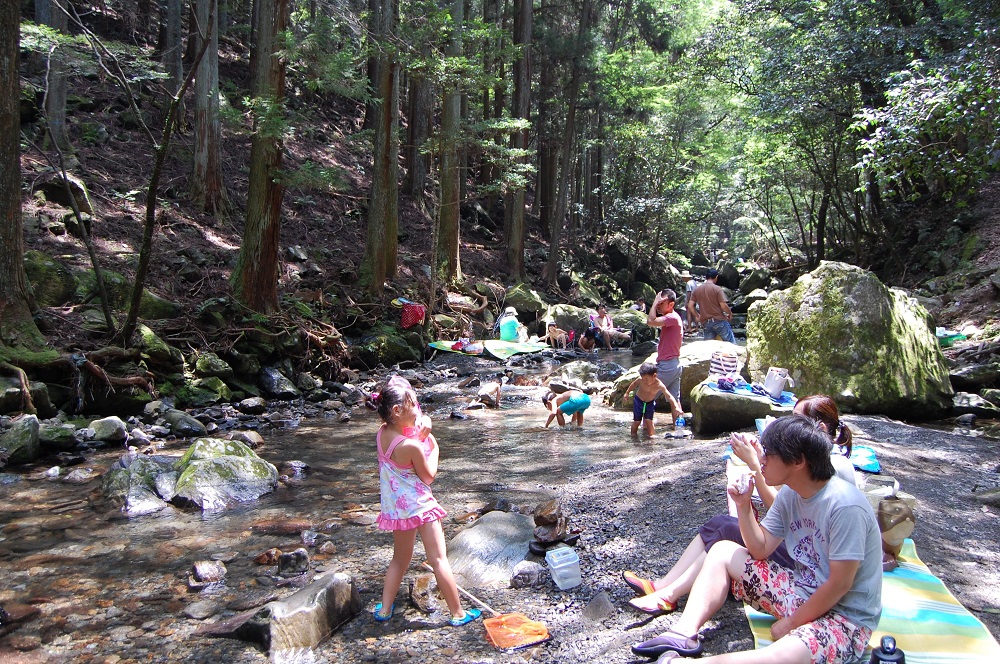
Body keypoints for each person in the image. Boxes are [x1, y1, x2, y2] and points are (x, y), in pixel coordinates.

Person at [630, 415, 882, 663]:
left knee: (789, 653)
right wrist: (743, 506)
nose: (760, 459)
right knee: (722, 551)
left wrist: (791, 624)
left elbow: (840, 583)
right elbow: (760, 549)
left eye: (768, 453)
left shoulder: (845, 506)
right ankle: (683, 633)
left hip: (844, 619)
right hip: (800, 592)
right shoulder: (791, 495)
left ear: (798, 461)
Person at [624, 395, 858, 616]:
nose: (790, 426)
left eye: (798, 419)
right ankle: (662, 587)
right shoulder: (813, 462)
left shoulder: (833, 468)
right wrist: (762, 461)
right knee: (719, 524)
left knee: (726, 530)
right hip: (799, 546)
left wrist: (756, 464)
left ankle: (669, 594)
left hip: (808, 560)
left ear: (821, 429)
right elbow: (785, 504)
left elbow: (784, 511)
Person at [367, 376, 482, 627]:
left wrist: (420, 429)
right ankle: (458, 614)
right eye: (414, 406)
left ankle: (385, 609)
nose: (418, 410)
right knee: (439, 559)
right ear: (397, 411)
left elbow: (403, 440)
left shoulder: (382, 433)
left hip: (398, 510)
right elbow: (428, 476)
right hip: (422, 507)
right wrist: (433, 444)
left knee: (399, 560)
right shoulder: (413, 446)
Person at [621, 362, 682, 436]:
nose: (645, 381)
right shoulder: (641, 380)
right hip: (638, 401)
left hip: (650, 403)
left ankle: (652, 437)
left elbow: (669, 396)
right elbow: (634, 384)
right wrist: (627, 393)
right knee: (637, 421)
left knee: (649, 421)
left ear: (654, 375)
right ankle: (633, 435)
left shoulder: (659, 385)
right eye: (643, 379)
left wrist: (676, 407)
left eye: (646, 379)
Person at [646, 289, 684, 408]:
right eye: (657, 303)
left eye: (661, 303)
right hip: (674, 364)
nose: (658, 305)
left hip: (667, 365)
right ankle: (677, 426)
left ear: (671, 304)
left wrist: (653, 303)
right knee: (674, 399)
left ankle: (646, 426)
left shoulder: (671, 318)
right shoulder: (672, 318)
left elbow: (650, 321)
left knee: (647, 395)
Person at [687, 268, 735, 343]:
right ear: (716, 277)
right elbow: (723, 305)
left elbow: (690, 305)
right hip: (719, 321)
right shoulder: (717, 289)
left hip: (706, 323)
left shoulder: (697, 289)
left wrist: (697, 316)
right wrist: (730, 313)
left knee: (709, 348)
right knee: (731, 344)